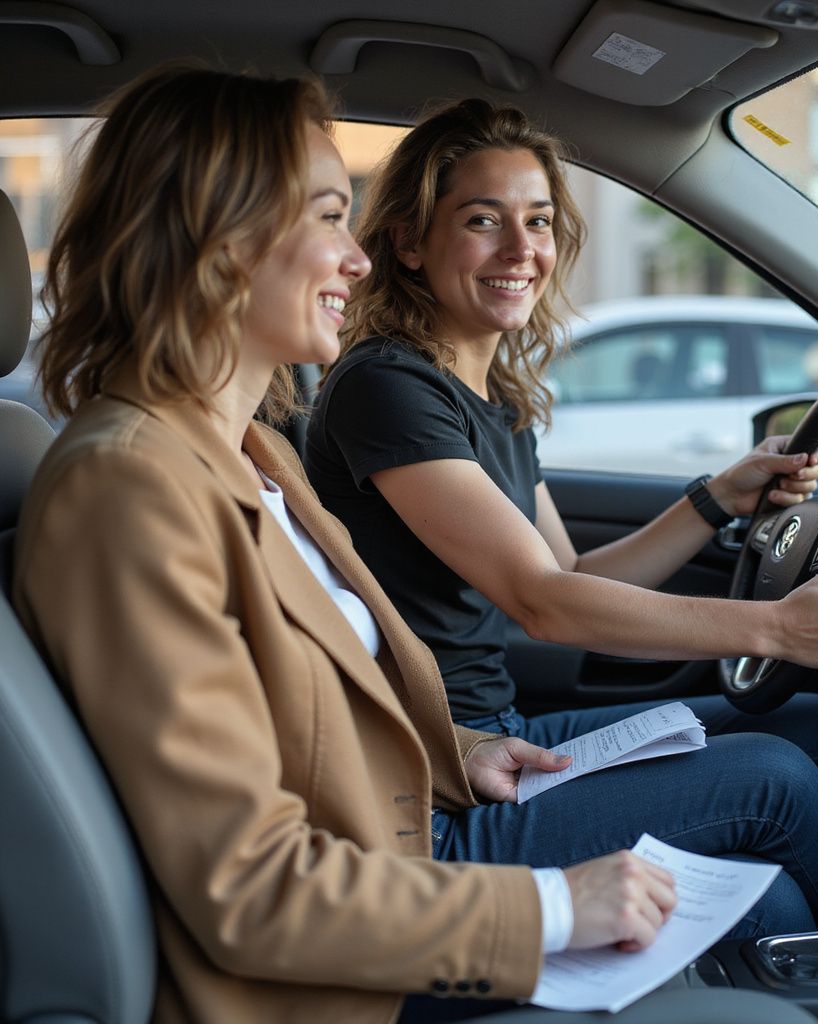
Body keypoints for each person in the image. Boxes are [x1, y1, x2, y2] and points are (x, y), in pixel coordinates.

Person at [13, 66, 707, 1024]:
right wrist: (554, 905)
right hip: (332, 985)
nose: (360, 259)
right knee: (775, 807)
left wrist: (456, 749)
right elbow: (249, 888)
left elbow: (301, 716)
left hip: (400, 854)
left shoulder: (252, 450)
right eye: (330, 217)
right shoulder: (128, 489)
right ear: (221, 238)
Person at [304, 98, 818, 927]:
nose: (521, 250)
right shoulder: (386, 387)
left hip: (493, 730)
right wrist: (776, 628)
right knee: (775, 781)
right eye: (483, 221)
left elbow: (572, 577)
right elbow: (542, 603)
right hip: (434, 778)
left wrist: (716, 498)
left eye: (538, 222)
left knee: (811, 723)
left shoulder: (495, 396)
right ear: (410, 241)